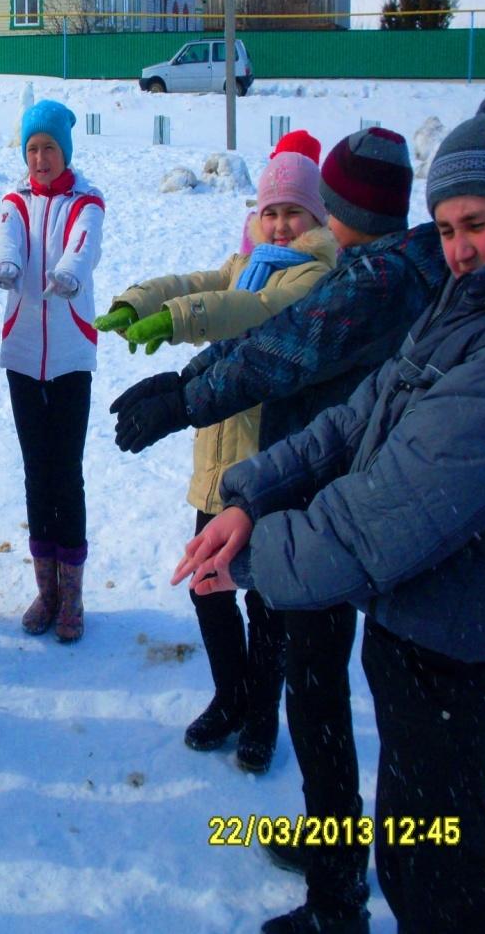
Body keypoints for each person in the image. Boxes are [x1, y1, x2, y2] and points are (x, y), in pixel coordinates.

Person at [173, 96, 485, 934]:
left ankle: (336, 883)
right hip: (416, 617)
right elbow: (363, 411)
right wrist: (254, 491)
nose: (459, 247)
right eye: (446, 227)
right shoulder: (460, 298)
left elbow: (379, 513)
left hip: (445, 629)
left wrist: (252, 545)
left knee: (434, 865)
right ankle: (335, 867)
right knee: (416, 837)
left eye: (474, 223)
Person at [109, 126, 446, 934]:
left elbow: (275, 346)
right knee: (323, 686)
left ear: (334, 207)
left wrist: (180, 399)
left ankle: (339, 892)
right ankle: (336, 849)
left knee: (320, 691)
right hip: (330, 498)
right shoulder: (403, 263)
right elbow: (257, 329)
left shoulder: (367, 279)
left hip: (326, 508)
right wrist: (185, 380)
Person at [95, 136, 336, 772]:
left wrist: (178, 321)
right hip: (217, 470)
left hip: (267, 471)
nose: (280, 223)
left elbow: (248, 311)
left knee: (264, 601)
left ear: (315, 220)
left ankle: (262, 714)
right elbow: (205, 281)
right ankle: (230, 696)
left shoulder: (311, 279)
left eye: (294, 212)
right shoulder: (246, 261)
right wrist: (142, 299)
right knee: (207, 588)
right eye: (270, 211)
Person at [0, 99, 104, 642]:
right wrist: (5, 265)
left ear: (65, 151)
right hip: (22, 354)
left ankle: (74, 593)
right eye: (32, 148)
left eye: (49, 148)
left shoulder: (87, 200)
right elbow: (5, 235)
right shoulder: (15, 199)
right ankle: (47, 589)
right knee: (37, 472)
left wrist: (68, 274)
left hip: (70, 358)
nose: (39, 158)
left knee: (67, 473)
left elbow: (85, 246)